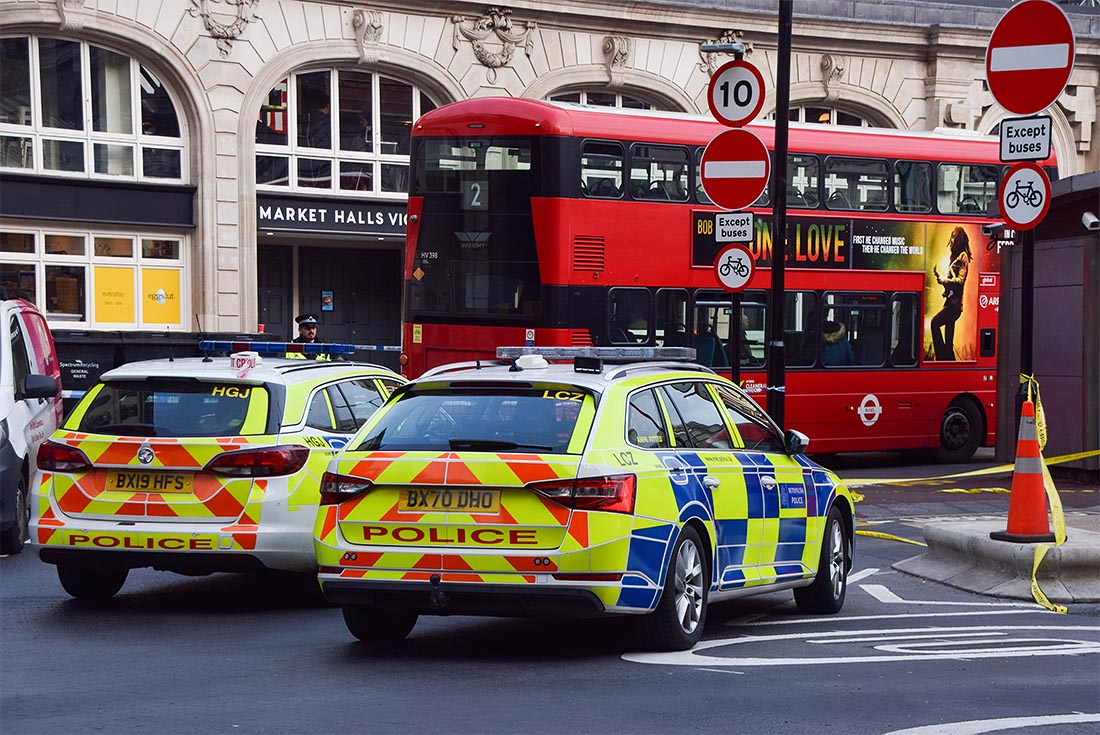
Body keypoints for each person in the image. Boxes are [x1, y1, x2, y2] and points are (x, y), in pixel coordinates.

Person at [930, 226, 972, 361]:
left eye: (954, 237)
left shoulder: (963, 256)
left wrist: (944, 280)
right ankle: (948, 362)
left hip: (955, 305)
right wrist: (944, 285)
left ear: (959, 239)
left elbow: (960, 280)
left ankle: (942, 358)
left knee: (934, 323)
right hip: (950, 301)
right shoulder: (954, 257)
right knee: (949, 342)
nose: (951, 240)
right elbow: (952, 284)